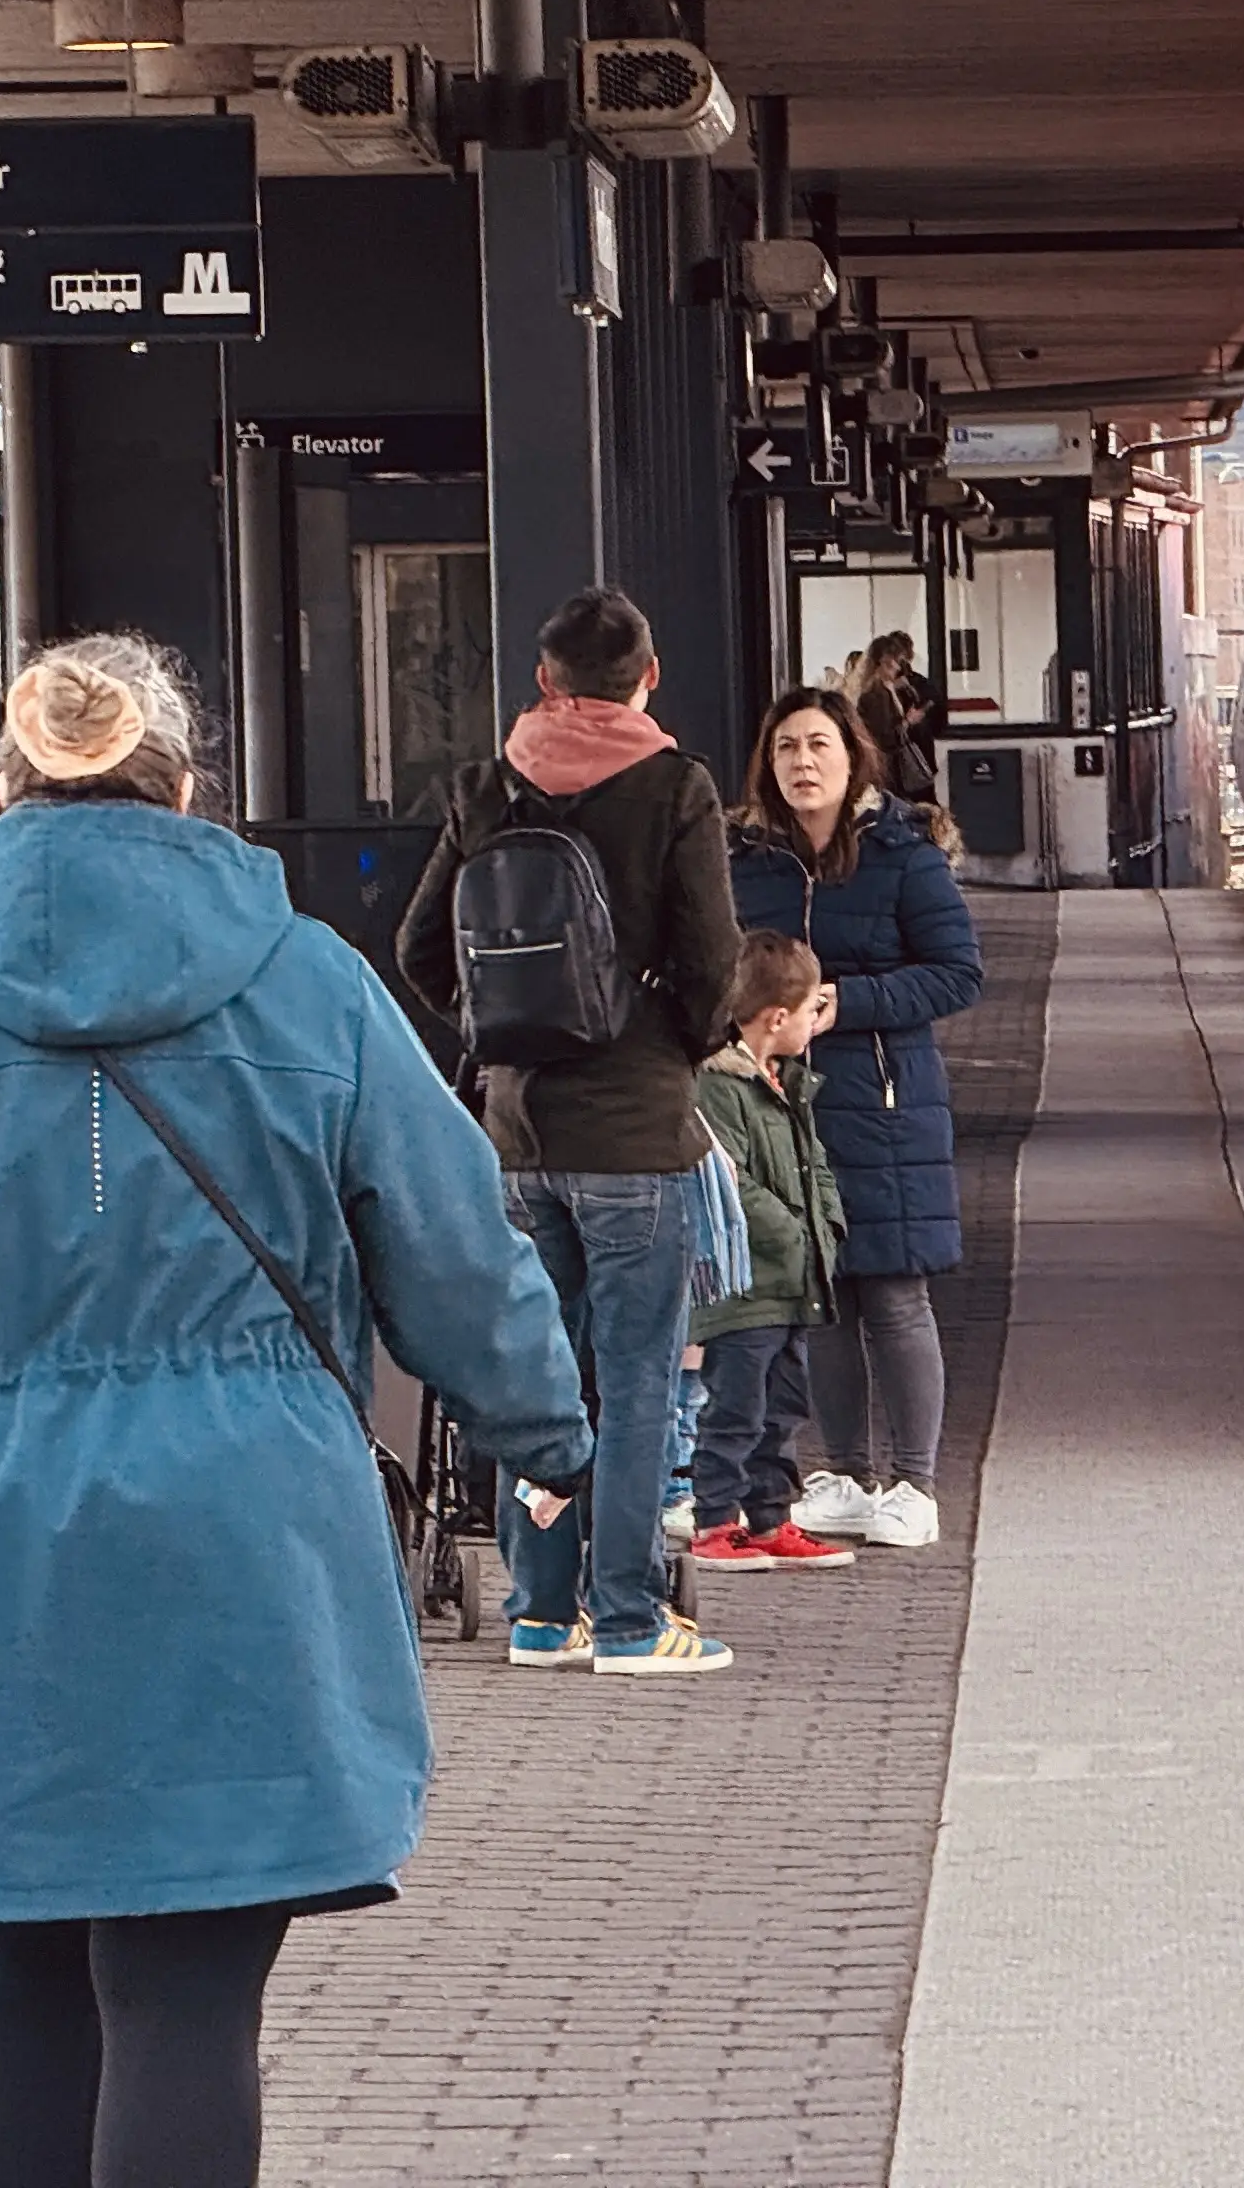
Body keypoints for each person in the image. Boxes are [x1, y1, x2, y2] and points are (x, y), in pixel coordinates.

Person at [0, 635, 592, 2188]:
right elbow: (453, 1242)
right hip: (241, 1517)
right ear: (188, 790)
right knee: (186, 1989)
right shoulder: (306, 977)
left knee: (20, 1956)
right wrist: (548, 1433)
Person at [399, 587, 744, 1676]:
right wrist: (666, 1051)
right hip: (635, 1132)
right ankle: (634, 1620)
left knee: (538, 1371)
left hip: (517, 1135)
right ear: (651, 677)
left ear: (544, 683)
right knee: (637, 1375)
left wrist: (503, 1038)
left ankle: (543, 1615)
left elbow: (419, 948)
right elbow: (712, 962)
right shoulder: (676, 788)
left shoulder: (484, 787)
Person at [728, 686, 981, 1549]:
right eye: (787, 748)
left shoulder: (904, 854)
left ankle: (914, 1483)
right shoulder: (747, 858)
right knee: (821, 1293)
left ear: (853, 758)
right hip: (779, 1104)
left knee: (895, 1291)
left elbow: (957, 972)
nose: (802, 763)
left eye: (818, 748)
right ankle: (839, 1473)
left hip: (885, 1099)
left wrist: (852, 1001)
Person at [684, 932, 857, 1572]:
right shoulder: (718, 1089)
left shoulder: (787, 1084)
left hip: (792, 1283)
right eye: (815, 1008)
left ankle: (771, 1516)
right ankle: (714, 1520)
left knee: (782, 1407)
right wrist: (796, 1233)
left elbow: (815, 1168)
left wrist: (827, 1225)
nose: (821, 1019)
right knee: (734, 1407)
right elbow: (733, 1184)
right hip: (746, 1287)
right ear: (778, 1018)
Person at [849, 630, 939, 811]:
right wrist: (908, 721)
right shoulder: (876, 694)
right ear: (882, 662)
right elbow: (885, 737)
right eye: (894, 663)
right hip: (888, 770)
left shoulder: (881, 689)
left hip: (885, 769)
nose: (898, 668)